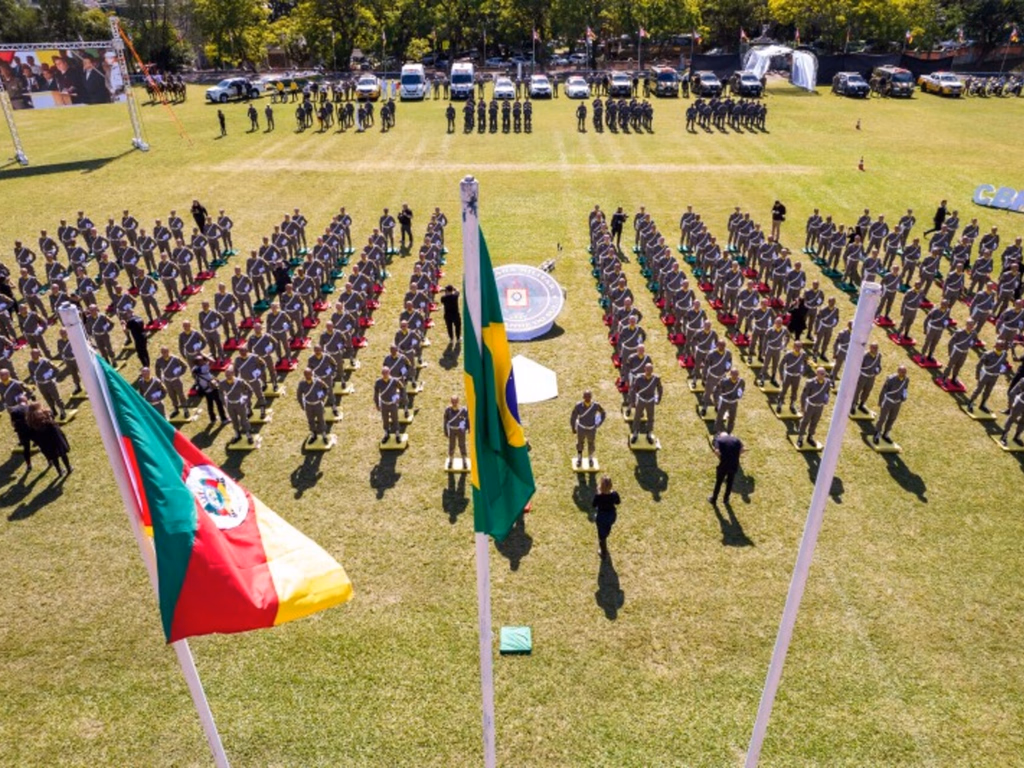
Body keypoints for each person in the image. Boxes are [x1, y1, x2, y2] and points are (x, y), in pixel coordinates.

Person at [25, 402, 72, 476]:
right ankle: (68, 468)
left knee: (54, 457)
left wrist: (38, 442)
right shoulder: (46, 415)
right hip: (55, 438)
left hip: (44, 442)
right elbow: (53, 424)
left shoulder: (30, 421)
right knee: (63, 453)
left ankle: (59, 471)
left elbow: (31, 435)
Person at [873, 365, 909, 444]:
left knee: (892, 418)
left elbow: (905, 389)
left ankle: (886, 434)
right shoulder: (891, 379)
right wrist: (881, 401)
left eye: (904, 372)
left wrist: (905, 396)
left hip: (897, 402)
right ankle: (877, 433)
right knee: (882, 418)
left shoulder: (906, 379)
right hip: (888, 401)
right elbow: (884, 390)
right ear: (898, 371)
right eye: (902, 372)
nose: (903, 374)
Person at [570, 389, 606, 467]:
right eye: (586, 396)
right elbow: (573, 417)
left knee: (591, 444)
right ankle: (579, 459)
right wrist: (573, 427)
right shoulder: (578, 406)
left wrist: (599, 423)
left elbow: (603, 412)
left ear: (591, 397)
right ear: (583, 397)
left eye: (589, 396)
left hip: (591, 429)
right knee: (580, 443)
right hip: (581, 428)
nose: (587, 398)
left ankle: (590, 458)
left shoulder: (596, 405)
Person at [709, 431, 745, 506]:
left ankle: (714, 499)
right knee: (730, 482)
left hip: (724, 465)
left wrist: (721, 457)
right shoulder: (736, 439)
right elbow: (742, 450)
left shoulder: (719, 440)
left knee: (719, 482)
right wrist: (735, 455)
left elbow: (717, 451)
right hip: (734, 464)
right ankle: (726, 499)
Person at [191, 354, 228, 425]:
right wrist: (203, 354)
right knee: (219, 403)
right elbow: (213, 361)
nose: (204, 361)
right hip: (211, 388)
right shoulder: (203, 368)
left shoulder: (195, 369)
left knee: (210, 404)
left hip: (204, 389)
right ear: (199, 362)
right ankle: (223, 419)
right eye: (202, 360)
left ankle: (212, 419)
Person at [592, 475, 620, 559]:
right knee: (607, 528)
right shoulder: (614, 494)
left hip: (601, 517)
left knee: (602, 536)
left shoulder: (598, 496)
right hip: (611, 516)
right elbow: (618, 502)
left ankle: (603, 552)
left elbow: (594, 505)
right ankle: (606, 534)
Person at [443, 395, 469, 465]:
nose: (454, 403)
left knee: (462, 444)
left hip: (461, 430)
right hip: (452, 430)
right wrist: (445, 431)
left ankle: (464, 460)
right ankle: (451, 459)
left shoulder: (463, 410)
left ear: (458, 402)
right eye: (453, 402)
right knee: (451, 445)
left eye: (456, 402)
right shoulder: (448, 410)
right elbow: (445, 421)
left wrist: (467, 428)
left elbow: (467, 419)